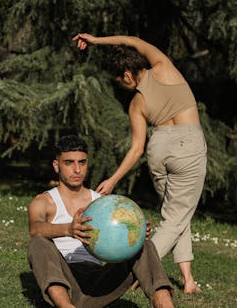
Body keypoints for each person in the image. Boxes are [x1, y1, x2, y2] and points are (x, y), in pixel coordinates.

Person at [72, 34, 207, 294]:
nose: (121, 86)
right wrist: (97, 40)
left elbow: (137, 149)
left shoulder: (137, 104)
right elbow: (132, 39)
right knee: (175, 218)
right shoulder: (163, 65)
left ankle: (188, 281)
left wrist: (113, 180)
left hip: (159, 149)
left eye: (119, 81)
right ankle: (130, 272)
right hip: (188, 145)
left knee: (176, 214)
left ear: (127, 75)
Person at [27, 135, 175, 308]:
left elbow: (125, 236)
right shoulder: (44, 201)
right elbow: (35, 229)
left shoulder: (102, 203)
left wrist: (137, 232)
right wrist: (68, 229)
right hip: (65, 280)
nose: (77, 170)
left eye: (82, 163)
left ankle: (164, 304)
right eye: (69, 163)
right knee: (38, 243)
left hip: (100, 284)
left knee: (144, 246)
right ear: (56, 165)